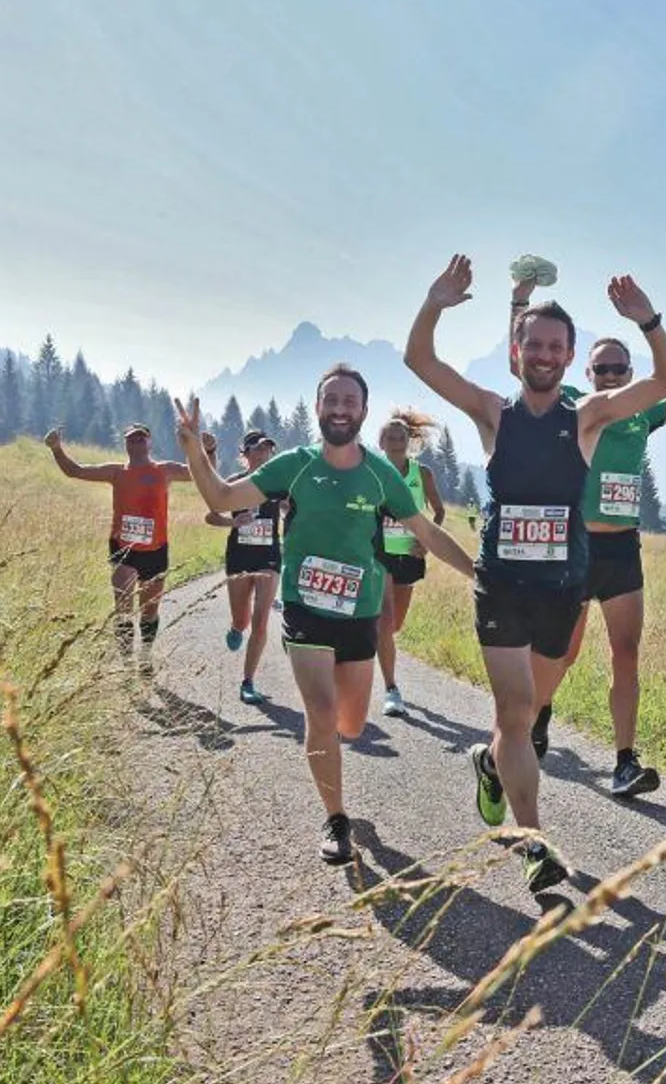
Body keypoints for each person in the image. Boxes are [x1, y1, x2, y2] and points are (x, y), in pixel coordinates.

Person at [405, 254, 666, 893]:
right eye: (535, 343)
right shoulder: (491, 412)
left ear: (569, 355)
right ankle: (534, 845)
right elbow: (420, 361)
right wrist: (433, 303)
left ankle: (491, 764)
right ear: (518, 348)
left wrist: (648, 319)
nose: (546, 354)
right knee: (516, 711)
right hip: (502, 584)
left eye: (557, 346)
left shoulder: (586, 417)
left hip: (564, 591)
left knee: (525, 716)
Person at [174, 365, 475, 866]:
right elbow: (222, 498)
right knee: (318, 714)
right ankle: (336, 819)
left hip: (359, 613)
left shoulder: (380, 473)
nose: (339, 408)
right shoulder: (292, 465)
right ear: (317, 408)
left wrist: (479, 573)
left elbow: (426, 531)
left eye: (349, 401)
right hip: (305, 607)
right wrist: (193, 456)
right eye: (330, 400)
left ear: (362, 410)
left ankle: (335, 757)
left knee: (351, 724)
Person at [514, 274, 666, 798]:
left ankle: (624, 761)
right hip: (574, 546)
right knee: (563, 653)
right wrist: (521, 302)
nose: (611, 376)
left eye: (620, 369)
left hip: (621, 549)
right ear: (587, 372)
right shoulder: (572, 403)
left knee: (626, 652)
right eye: (601, 369)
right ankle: (535, 717)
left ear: (632, 372)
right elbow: (523, 368)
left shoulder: (643, 413)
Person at [45, 422, 192, 658]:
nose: (136, 441)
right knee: (123, 606)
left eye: (141, 437)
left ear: (149, 441)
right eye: (131, 438)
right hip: (123, 549)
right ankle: (125, 663)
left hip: (156, 550)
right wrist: (55, 448)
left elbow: (202, 474)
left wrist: (209, 451)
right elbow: (75, 471)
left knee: (149, 612)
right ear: (124, 442)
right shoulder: (116, 472)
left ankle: (144, 656)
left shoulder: (165, 470)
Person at [373, 408, 447, 719]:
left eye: (401, 436)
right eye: (390, 436)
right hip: (378, 553)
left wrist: (426, 541)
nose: (395, 441)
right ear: (381, 441)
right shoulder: (371, 471)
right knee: (385, 620)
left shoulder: (422, 474)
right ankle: (392, 689)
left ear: (409, 440)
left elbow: (439, 511)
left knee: (395, 625)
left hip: (410, 554)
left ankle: (377, 639)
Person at [204, 429, 282, 705]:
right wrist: (232, 523)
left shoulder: (278, 483)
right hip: (239, 556)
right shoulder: (234, 483)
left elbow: (294, 509)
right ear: (245, 454)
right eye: (258, 449)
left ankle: (248, 681)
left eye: (267, 449)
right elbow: (211, 515)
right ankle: (237, 628)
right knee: (242, 619)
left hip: (269, 558)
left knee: (261, 621)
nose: (264, 454)